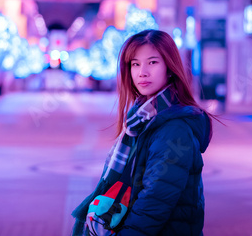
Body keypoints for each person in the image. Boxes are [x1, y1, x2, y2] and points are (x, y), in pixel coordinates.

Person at [71, 29, 214, 236]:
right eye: (135, 64)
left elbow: (155, 202)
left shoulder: (174, 129)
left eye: (153, 62)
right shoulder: (141, 120)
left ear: (170, 68)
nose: (142, 72)